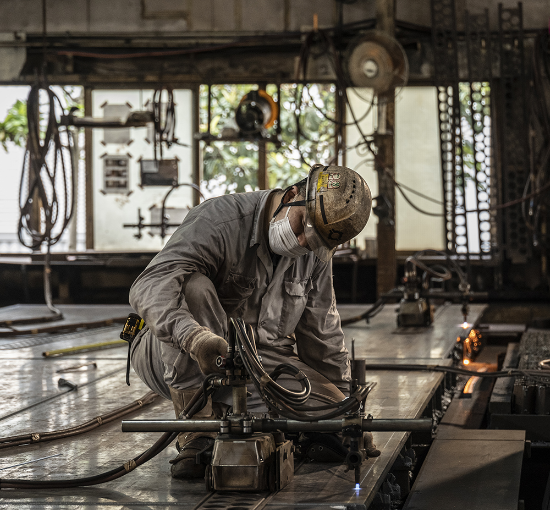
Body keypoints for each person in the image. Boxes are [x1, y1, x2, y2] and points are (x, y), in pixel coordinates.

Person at [128, 163, 377, 478]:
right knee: (192, 287)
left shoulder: (315, 253)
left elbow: (322, 330)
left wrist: (346, 412)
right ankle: (198, 432)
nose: (301, 242)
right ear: (291, 195)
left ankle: (257, 416)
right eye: (302, 225)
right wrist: (195, 338)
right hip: (173, 351)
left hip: (256, 363)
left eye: (313, 242)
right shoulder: (220, 220)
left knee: (331, 419)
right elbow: (150, 286)